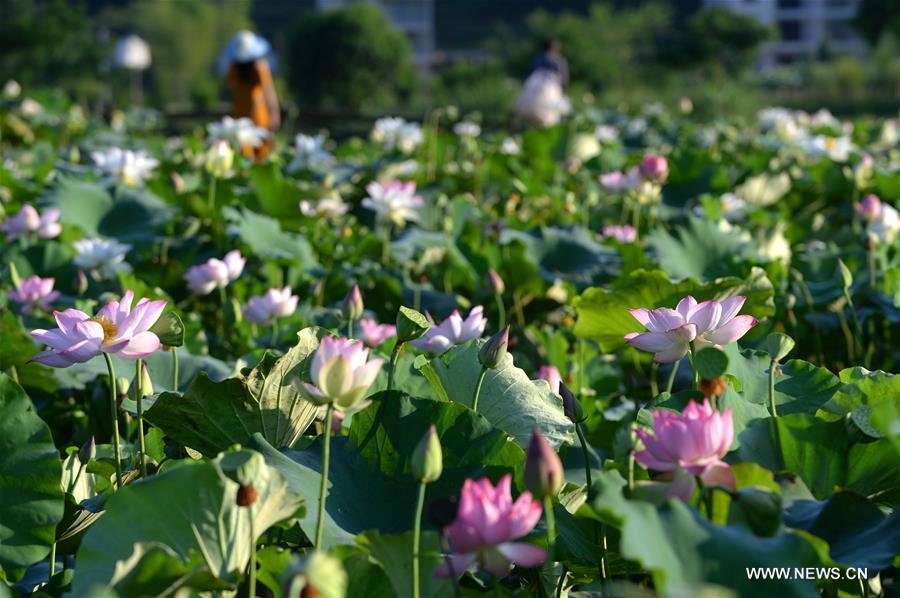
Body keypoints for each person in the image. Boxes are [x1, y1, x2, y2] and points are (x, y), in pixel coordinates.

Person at [222, 31, 280, 159]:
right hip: (256, 113)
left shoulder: (236, 67)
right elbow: (269, 91)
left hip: (243, 113)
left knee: (245, 152)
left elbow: (229, 89)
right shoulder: (258, 66)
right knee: (257, 153)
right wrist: (274, 112)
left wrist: (274, 113)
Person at [514, 39, 571, 128]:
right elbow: (564, 80)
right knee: (552, 120)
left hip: (530, 99)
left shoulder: (537, 59)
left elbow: (529, 76)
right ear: (555, 48)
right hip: (550, 95)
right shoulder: (559, 60)